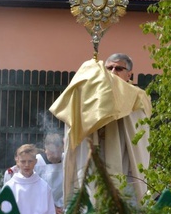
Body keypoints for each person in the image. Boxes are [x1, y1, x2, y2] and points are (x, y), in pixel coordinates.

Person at [49, 53, 151, 204]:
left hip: (123, 163)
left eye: (118, 68)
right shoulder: (93, 94)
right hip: (93, 160)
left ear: (129, 74)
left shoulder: (137, 96)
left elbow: (138, 133)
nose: (113, 72)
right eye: (109, 68)